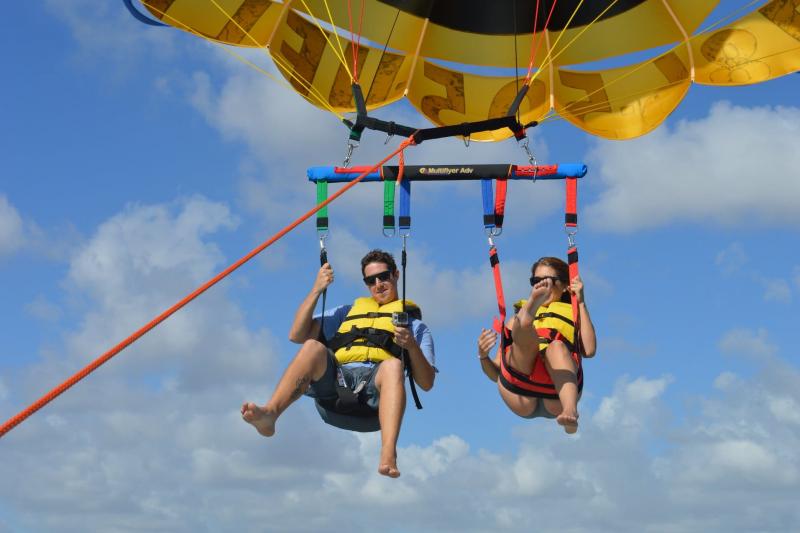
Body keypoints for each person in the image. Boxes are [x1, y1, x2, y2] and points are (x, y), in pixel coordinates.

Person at [242, 249, 436, 478]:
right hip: (337, 389)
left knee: (393, 365)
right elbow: (296, 335)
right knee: (312, 346)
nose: (378, 284)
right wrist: (317, 289)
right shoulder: (346, 313)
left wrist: (411, 346)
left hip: (374, 400)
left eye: (383, 277)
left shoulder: (415, 327)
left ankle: (388, 452)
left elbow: (426, 383)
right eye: (370, 280)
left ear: (395, 275)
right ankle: (270, 415)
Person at [476, 256, 596, 433]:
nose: (542, 286)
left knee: (556, 346)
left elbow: (589, 350)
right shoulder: (513, 322)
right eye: (536, 281)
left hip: (557, 395)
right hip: (519, 391)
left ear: (565, 286)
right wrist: (483, 356)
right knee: (524, 335)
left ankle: (570, 411)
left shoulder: (574, 313)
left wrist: (581, 303)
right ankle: (530, 312)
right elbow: (496, 374)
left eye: (548, 281)